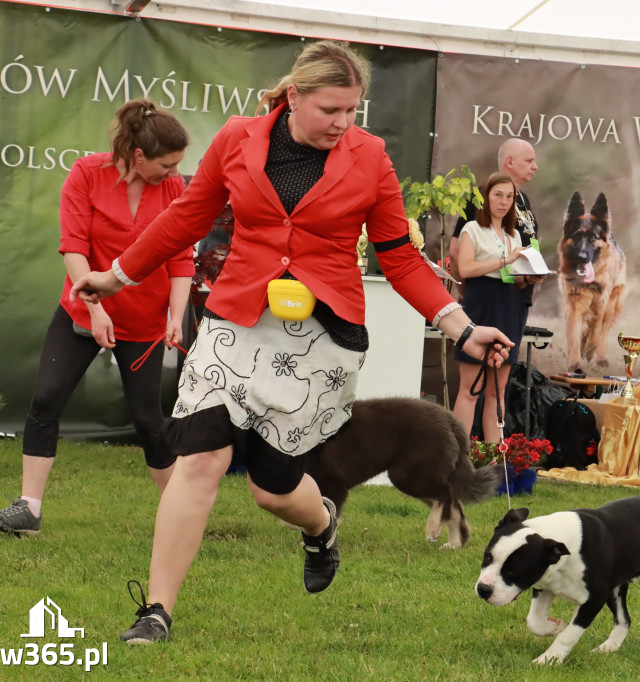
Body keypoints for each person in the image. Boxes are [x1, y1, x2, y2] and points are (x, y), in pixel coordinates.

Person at [69, 40, 512, 645]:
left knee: (272, 490)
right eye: (331, 109)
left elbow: (401, 258)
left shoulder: (371, 158)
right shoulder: (238, 139)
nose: (343, 123)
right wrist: (118, 274)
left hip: (322, 337)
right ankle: (156, 611)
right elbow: (186, 220)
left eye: (353, 110)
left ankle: (321, 525)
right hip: (236, 318)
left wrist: (461, 327)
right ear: (295, 96)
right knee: (198, 459)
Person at [0, 99, 193, 536]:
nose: (174, 174)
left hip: (145, 322)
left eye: (177, 166)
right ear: (138, 155)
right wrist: (94, 310)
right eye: (167, 165)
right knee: (45, 401)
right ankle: (28, 510)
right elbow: (73, 247)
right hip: (81, 310)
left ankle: (180, 518)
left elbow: (181, 259)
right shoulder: (85, 175)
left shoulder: (173, 191)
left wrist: (177, 315)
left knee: (149, 420)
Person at [451, 172, 528, 445]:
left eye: (510, 197)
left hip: (508, 305)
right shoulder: (471, 228)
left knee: (498, 391)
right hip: (481, 303)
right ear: (486, 197)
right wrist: (506, 260)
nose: (504, 202)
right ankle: (458, 455)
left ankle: (496, 456)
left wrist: (528, 275)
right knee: (471, 390)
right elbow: (465, 269)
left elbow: (514, 278)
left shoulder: (514, 234)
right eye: (498, 195)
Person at [449, 138, 543, 306]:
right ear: (510, 162)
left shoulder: (523, 199)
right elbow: (456, 250)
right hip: (485, 295)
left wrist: (531, 275)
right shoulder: (481, 196)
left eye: (508, 197)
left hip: (517, 295)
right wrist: (466, 291)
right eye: (529, 161)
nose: (535, 166)